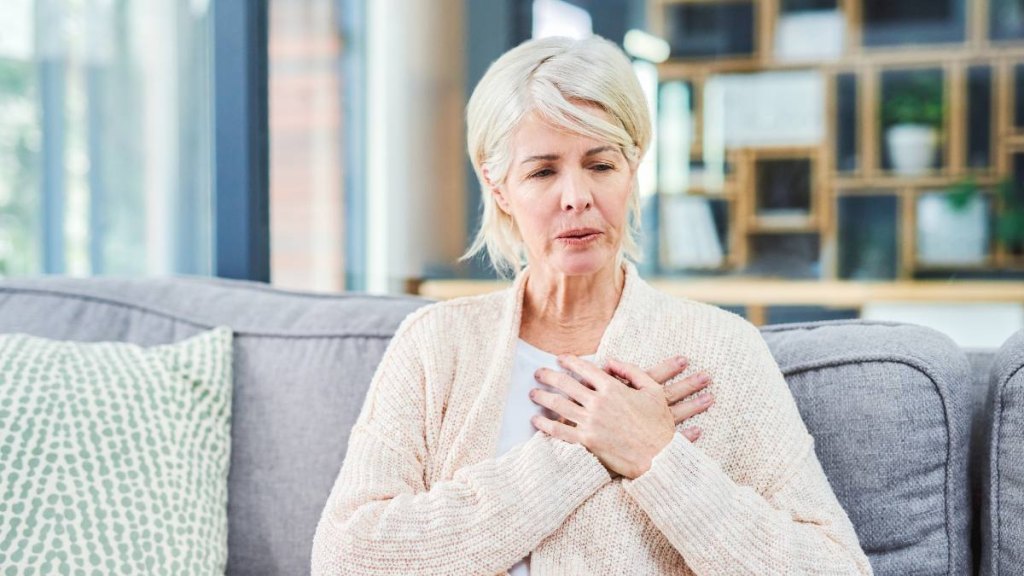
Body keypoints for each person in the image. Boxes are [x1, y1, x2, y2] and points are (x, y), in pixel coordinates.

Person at [311, 35, 873, 575]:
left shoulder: (721, 349)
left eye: (601, 165)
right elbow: (345, 558)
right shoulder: (435, 344)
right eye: (543, 171)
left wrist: (658, 458)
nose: (577, 197)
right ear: (499, 186)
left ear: (633, 170)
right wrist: (579, 456)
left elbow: (834, 568)